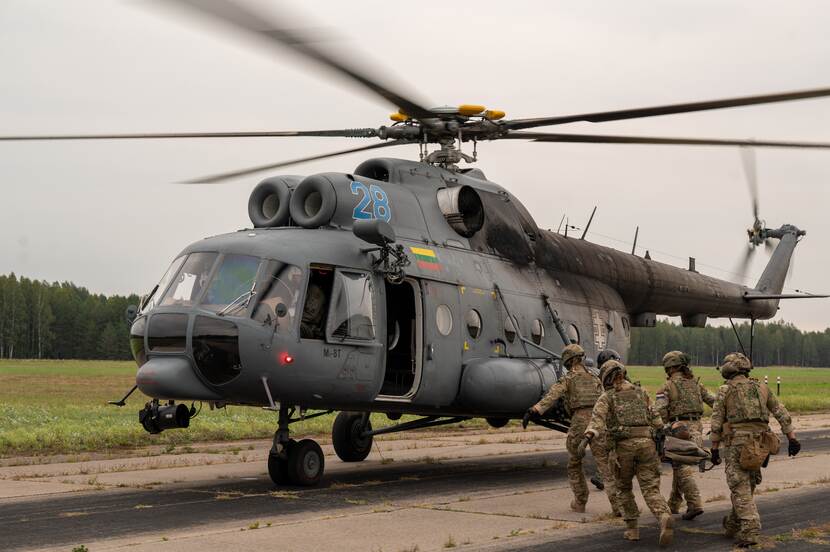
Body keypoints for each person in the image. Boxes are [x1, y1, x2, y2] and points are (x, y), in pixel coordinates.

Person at [710, 353, 801, 547]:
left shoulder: (725, 390)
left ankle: (750, 529)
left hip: (737, 443)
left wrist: (714, 448)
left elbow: (716, 421)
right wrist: (792, 438)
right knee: (747, 484)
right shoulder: (762, 387)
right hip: (760, 444)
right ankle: (733, 524)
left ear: (729, 369)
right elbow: (781, 413)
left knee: (738, 484)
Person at [583, 360, 674, 546]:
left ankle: (632, 529)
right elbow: (656, 420)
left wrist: (589, 434)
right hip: (647, 446)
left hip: (622, 448)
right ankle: (663, 515)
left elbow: (597, 420)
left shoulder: (607, 397)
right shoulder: (642, 393)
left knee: (623, 488)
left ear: (606, 378)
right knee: (650, 488)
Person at [522, 344, 620, 515]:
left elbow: (552, 396)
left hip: (578, 423)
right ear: (581, 358)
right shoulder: (596, 377)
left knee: (575, 463)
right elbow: (607, 399)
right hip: (598, 423)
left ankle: (580, 501)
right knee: (604, 465)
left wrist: (534, 410)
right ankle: (617, 505)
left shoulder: (568, 379)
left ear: (568, 361)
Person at [655, 350, 715, 520]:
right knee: (679, 465)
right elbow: (714, 401)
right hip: (697, 428)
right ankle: (673, 503)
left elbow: (659, 412)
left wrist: (662, 429)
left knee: (682, 468)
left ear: (669, 368)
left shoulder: (666, 387)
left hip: (678, 431)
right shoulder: (696, 384)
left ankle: (694, 503)